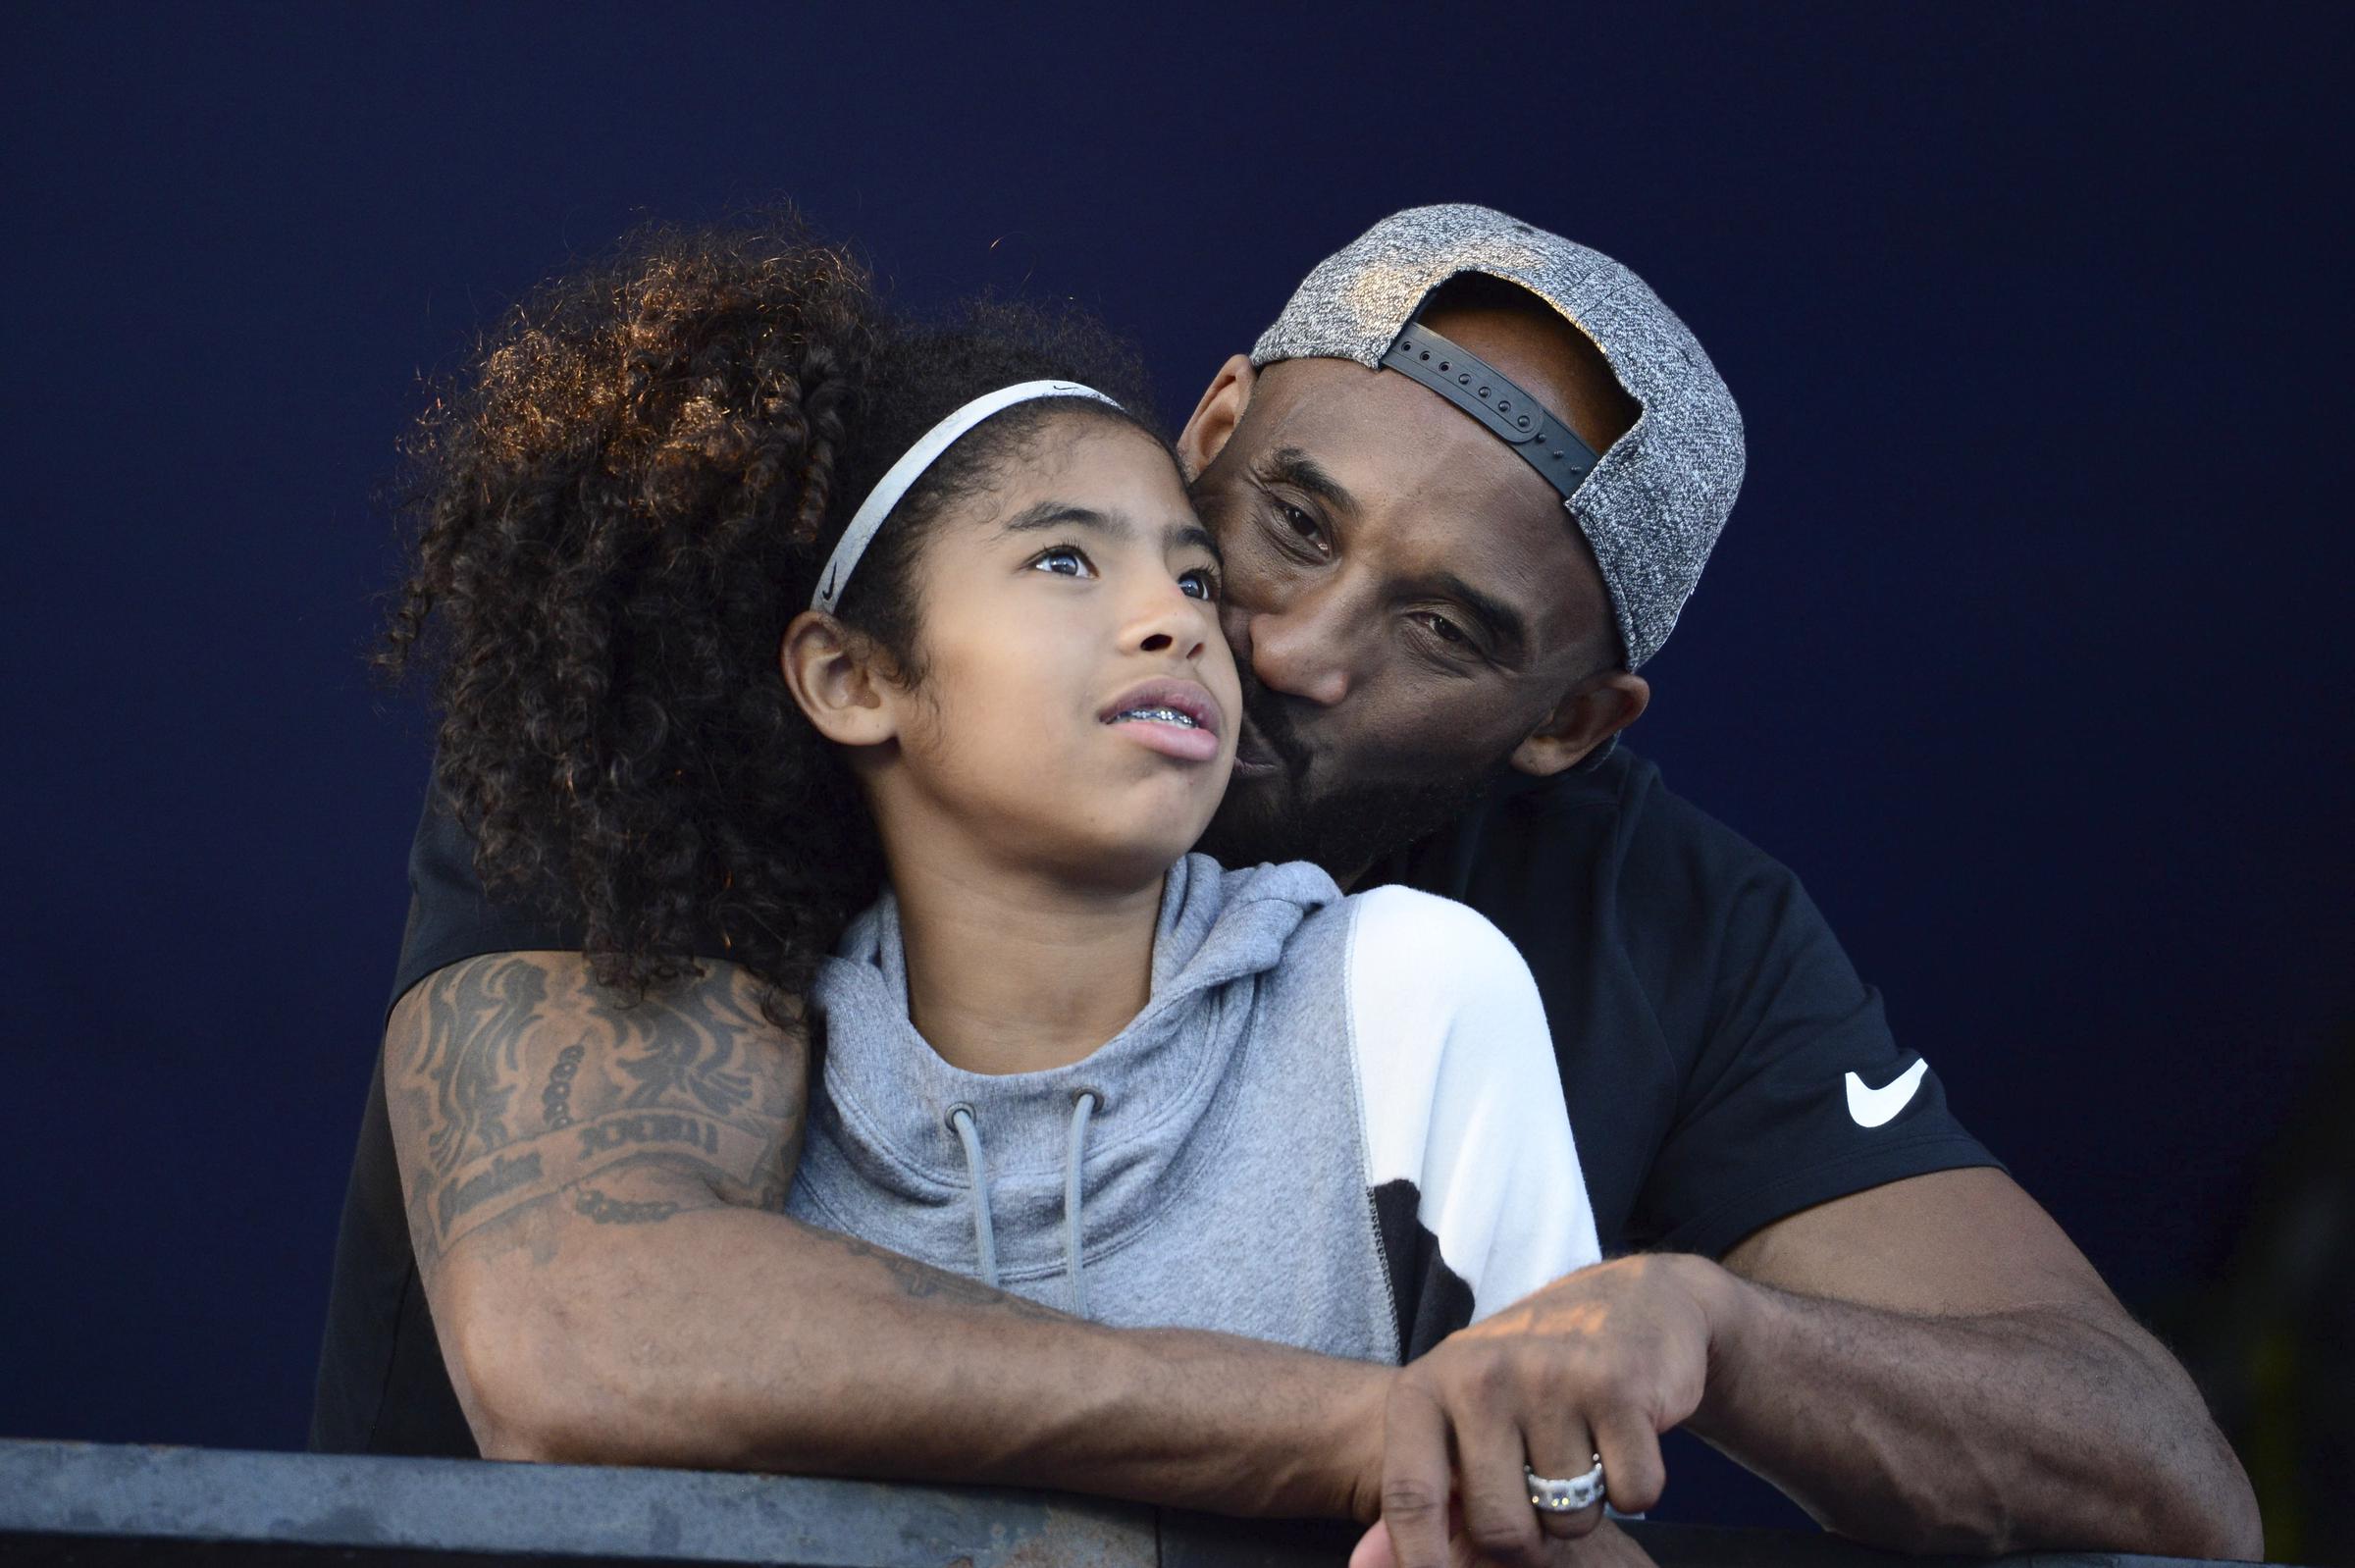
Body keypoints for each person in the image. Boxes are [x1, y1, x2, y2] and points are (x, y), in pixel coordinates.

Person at [315, 206, 2260, 1565]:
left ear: (1569, 720)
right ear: (1217, 424)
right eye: (1292, 521)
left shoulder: (1639, 922)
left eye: (1443, 623)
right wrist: (1426, 1433)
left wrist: (1718, 1335)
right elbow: (591, 1328)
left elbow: (2158, 1473)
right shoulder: (750, 652)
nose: (1302, 646)